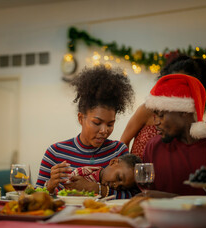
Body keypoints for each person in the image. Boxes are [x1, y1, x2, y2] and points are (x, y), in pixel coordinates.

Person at [35, 65, 135, 196]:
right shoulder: (55, 153)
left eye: (110, 124)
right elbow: (35, 195)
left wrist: (97, 189)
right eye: (97, 123)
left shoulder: (118, 151)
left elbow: (133, 195)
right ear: (81, 118)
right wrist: (49, 186)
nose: (104, 131)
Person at [143, 73, 206, 196]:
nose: (156, 122)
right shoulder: (153, 147)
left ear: (185, 112)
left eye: (161, 115)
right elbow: (147, 195)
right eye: (154, 115)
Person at [120, 55, 206, 159]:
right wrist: (128, 168)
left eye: (183, 83)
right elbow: (123, 142)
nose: (176, 86)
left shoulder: (190, 122)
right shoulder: (148, 109)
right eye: (172, 81)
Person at [69, 154, 142, 198]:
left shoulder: (114, 191)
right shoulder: (83, 173)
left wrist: (99, 189)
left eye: (121, 187)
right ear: (113, 162)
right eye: (119, 178)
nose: (116, 186)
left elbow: (135, 196)